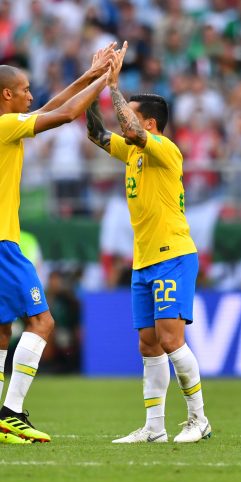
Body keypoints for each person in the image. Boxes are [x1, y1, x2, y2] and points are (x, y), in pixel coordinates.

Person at [86, 45, 211, 444]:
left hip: (173, 255)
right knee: (148, 343)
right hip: (143, 260)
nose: (124, 121)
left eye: (131, 115)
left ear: (151, 123)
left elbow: (132, 130)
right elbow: (96, 132)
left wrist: (114, 87)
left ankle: (199, 419)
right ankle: (154, 428)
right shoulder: (133, 153)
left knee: (171, 338)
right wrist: (93, 82)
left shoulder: (163, 150)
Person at [0, 43, 116, 445]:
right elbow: (65, 114)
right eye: (26, 89)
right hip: (4, 245)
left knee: (1, 332)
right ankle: (11, 413)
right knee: (43, 321)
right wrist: (106, 80)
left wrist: (89, 74)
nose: (32, 95)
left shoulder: (8, 124)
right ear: (6, 94)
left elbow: (52, 105)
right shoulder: (4, 126)